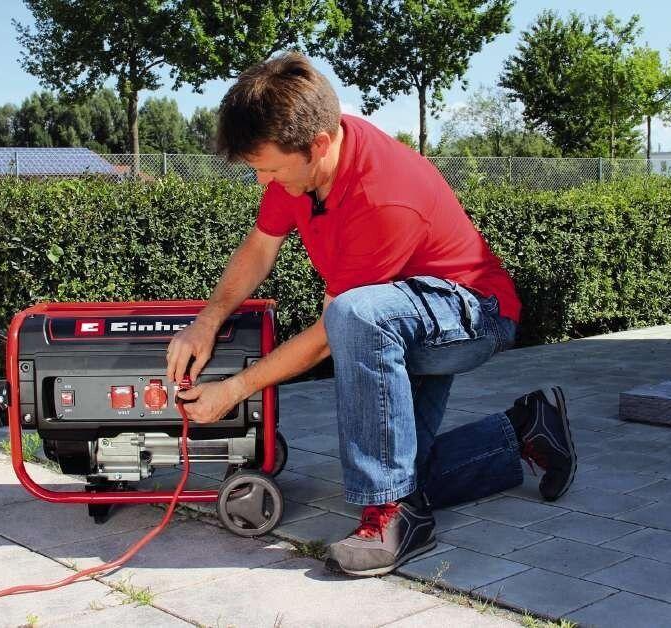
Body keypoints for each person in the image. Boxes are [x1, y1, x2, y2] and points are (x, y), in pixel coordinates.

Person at [166, 52, 577, 577]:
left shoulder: (381, 194)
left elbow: (332, 333)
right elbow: (260, 247)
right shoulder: (302, 166)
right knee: (403, 468)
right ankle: (526, 430)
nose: (263, 180)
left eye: (269, 168)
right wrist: (206, 321)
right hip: (403, 314)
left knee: (356, 319)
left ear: (318, 146)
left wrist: (233, 390)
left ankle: (396, 516)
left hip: (474, 314)